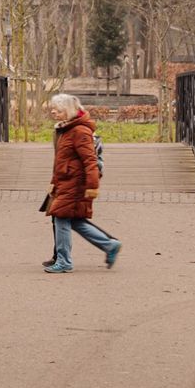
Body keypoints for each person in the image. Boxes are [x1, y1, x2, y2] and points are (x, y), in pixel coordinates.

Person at [42, 93, 121, 274]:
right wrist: (54, 184)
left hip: (76, 184)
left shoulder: (80, 131)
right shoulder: (67, 129)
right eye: (53, 108)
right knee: (74, 221)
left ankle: (64, 261)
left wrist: (92, 187)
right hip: (66, 182)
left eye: (58, 109)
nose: (53, 112)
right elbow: (61, 161)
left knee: (61, 217)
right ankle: (110, 245)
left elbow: (90, 161)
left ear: (68, 110)